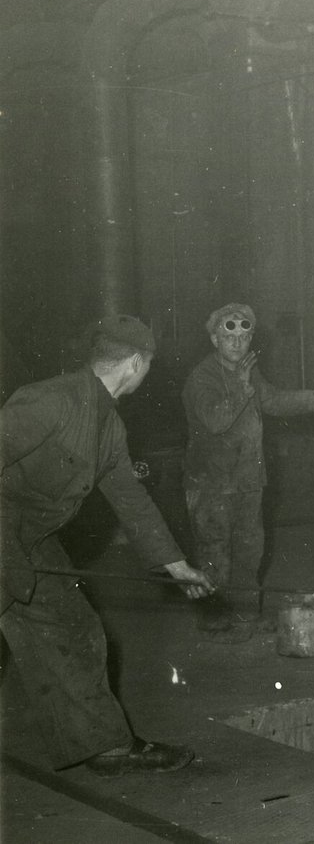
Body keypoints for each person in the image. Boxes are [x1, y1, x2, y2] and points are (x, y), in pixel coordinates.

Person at [1, 314, 215, 775]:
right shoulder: (50, 400)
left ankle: (105, 745)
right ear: (135, 363)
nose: (148, 373)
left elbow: (130, 500)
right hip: (3, 529)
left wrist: (176, 567)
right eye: (150, 365)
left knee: (74, 626)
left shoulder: (109, 425)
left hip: (32, 539)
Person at [182, 303, 314, 639]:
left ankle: (245, 618)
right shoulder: (202, 378)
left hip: (248, 480)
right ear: (214, 339)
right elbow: (215, 420)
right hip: (213, 485)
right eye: (229, 334)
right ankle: (214, 624)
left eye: (245, 333)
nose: (238, 342)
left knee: (249, 552)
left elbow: (273, 400)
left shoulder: (248, 372)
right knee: (215, 556)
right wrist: (241, 387)